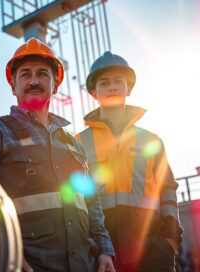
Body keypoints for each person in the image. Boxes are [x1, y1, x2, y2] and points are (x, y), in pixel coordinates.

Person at [0, 38, 115, 272]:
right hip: (28, 265)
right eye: (25, 74)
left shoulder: (72, 143)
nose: (34, 81)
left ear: (55, 86)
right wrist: (8, 255)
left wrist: (104, 249)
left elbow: (91, 203)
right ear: (13, 86)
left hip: (85, 264)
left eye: (42, 74)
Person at [76, 51, 183, 272]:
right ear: (94, 92)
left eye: (118, 81)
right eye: (104, 82)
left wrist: (170, 239)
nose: (112, 87)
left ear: (129, 88)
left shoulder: (150, 140)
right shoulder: (78, 142)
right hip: (101, 250)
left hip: (151, 246)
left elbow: (167, 189)